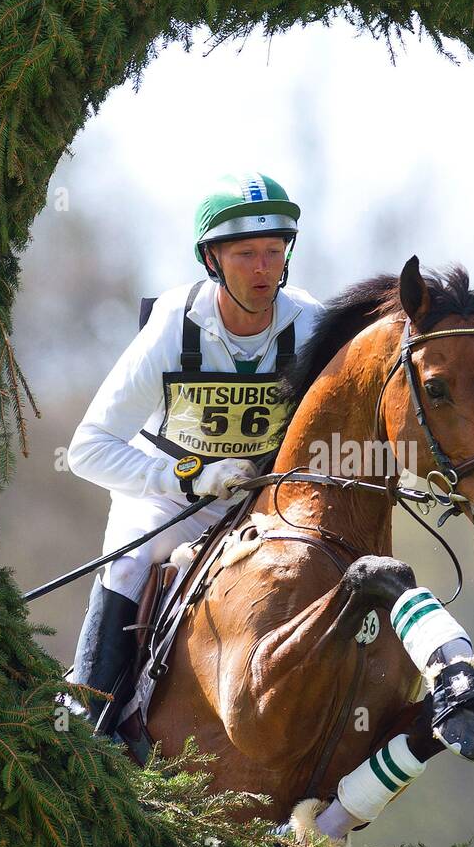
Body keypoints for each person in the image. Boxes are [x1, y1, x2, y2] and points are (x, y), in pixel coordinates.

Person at [66, 171, 326, 737]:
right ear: (212, 261)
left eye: (275, 252)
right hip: (165, 499)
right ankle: (91, 724)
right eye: (247, 254)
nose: (265, 270)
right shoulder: (171, 328)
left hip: (261, 503)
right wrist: (188, 476)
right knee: (130, 562)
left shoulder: (310, 325)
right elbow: (88, 448)